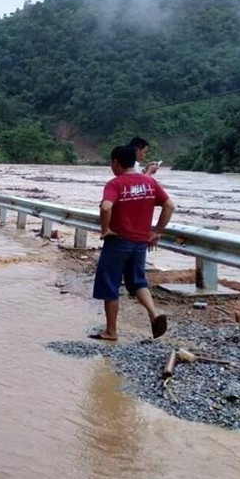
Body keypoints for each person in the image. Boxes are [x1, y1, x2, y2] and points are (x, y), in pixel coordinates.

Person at [90, 144, 175, 341]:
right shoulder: (149, 182)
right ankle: (154, 313)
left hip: (118, 241)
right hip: (140, 243)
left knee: (110, 285)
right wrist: (157, 232)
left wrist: (105, 230)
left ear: (115, 163)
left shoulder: (115, 184)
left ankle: (111, 331)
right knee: (137, 281)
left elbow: (105, 207)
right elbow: (170, 206)